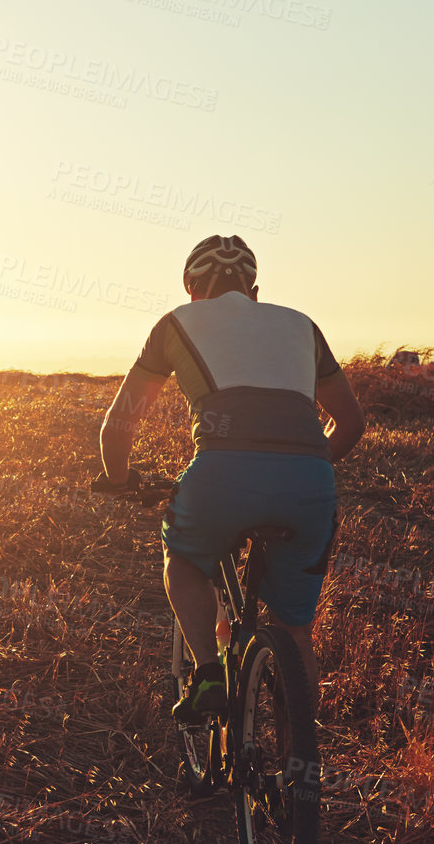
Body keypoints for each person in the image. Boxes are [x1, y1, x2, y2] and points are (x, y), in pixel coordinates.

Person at [93, 235, 365, 724]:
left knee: (184, 561)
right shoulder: (302, 325)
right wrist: (309, 465)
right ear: (254, 290)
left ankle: (207, 674)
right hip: (310, 484)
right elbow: (351, 422)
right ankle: (298, 765)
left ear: (192, 288)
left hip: (221, 478)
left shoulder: (176, 322)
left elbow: (120, 424)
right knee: (296, 632)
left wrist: (118, 478)